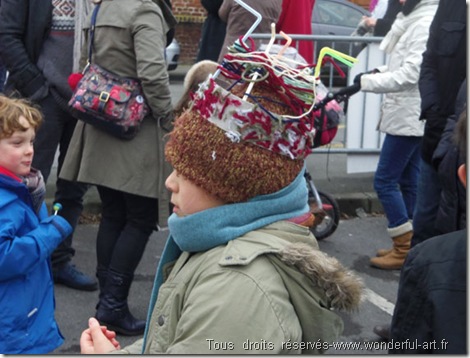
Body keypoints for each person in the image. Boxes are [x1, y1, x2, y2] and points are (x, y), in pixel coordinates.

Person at [79, 45, 364, 354]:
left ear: (234, 187)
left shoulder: (236, 289)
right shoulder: (217, 243)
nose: (169, 182)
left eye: (185, 173)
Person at [60, 0, 176, 337]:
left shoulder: (107, 6)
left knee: (114, 213)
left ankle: (108, 303)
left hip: (102, 120)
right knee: (139, 218)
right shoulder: (145, 10)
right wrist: (168, 118)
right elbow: (153, 73)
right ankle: (112, 305)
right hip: (134, 128)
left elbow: (90, 57)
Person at [0, 0, 97, 291]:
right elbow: (6, 34)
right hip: (44, 96)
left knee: (74, 184)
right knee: (25, 183)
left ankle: (58, 260)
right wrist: (36, 88)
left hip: (87, 99)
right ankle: (24, 256)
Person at [352, 0, 438, 270]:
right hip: (411, 113)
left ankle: (403, 246)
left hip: (408, 114)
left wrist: (368, 82)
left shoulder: (422, 22)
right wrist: (375, 73)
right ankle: (412, 244)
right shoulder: (416, 18)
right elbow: (405, 67)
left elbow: (411, 74)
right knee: (408, 180)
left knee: (385, 181)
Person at [389, 107, 467, 354]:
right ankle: (402, 240)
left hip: (417, 128)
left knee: (387, 181)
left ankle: (402, 241)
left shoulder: (429, 264)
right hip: (430, 134)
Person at [0, 95, 73, 353]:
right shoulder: (6, 199)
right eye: (17, 142)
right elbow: (3, 257)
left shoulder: (25, 186)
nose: (29, 149)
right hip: (12, 326)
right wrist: (50, 232)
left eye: (31, 140)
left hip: (23, 312)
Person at [410, 0, 466, 248]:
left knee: (455, 237)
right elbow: (429, 60)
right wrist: (432, 111)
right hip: (436, 137)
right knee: (424, 224)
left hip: (461, 146)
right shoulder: (450, 4)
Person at [217, 0, 283, 62]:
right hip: (262, 51)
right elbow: (276, 18)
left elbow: (223, 14)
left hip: (234, 47)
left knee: (226, 72)